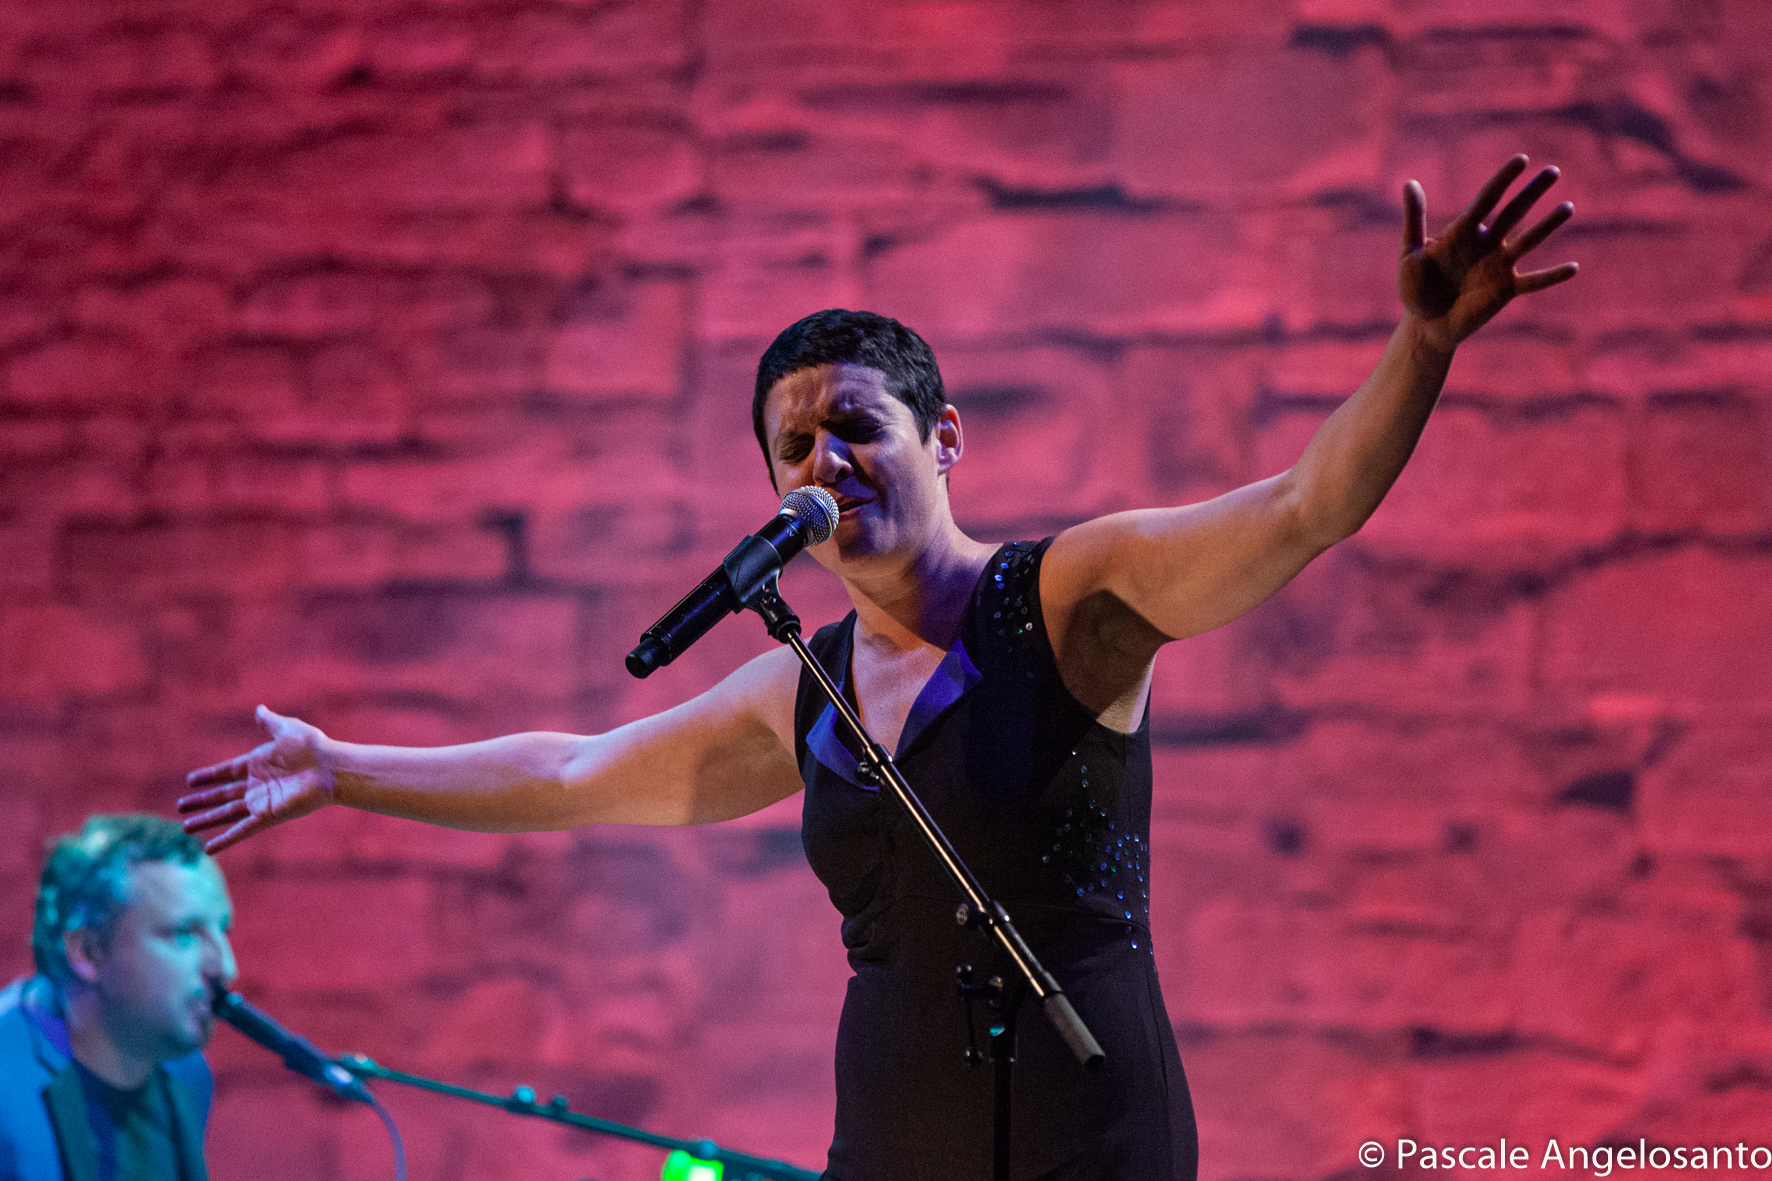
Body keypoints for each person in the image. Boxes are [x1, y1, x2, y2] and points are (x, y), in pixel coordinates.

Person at [180, 157, 1577, 1180]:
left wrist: (1419, 346)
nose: (822, 463)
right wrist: (342, 769)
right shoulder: (806, 682)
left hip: (1088, 1130)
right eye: (792, 448)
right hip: (895, 1138)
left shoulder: (1070, 596)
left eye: (854, 426)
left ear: (943, 438)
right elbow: (574, 772)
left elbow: (1301, 508)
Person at [1, 814, 236, 1181]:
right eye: (184, 934)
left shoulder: (188, 1075)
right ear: (88, 952)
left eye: (223, 931)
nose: (225, 967)